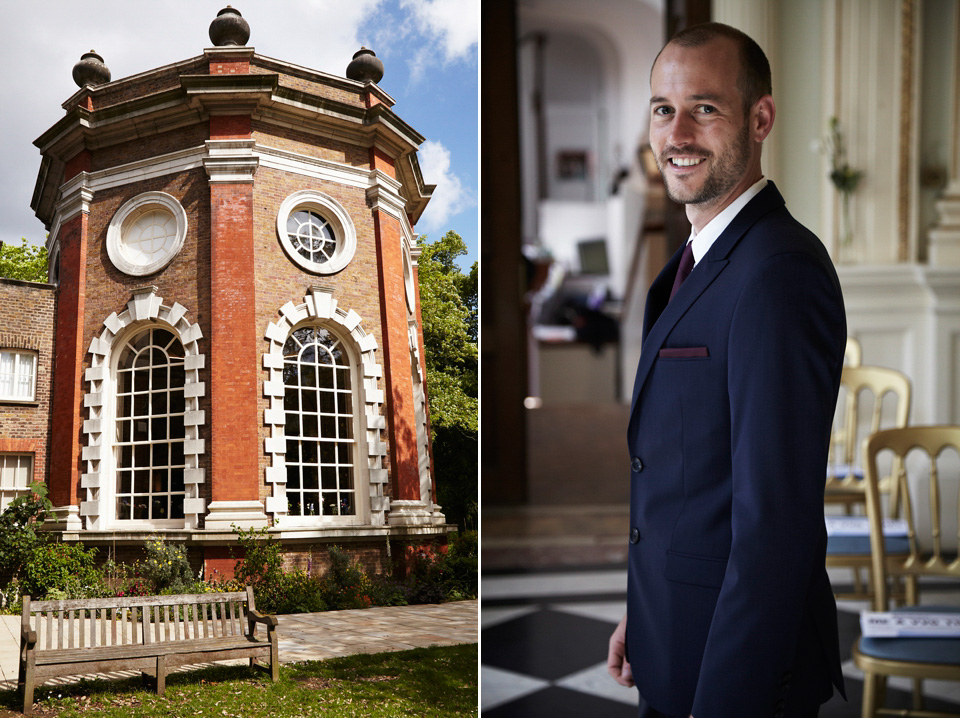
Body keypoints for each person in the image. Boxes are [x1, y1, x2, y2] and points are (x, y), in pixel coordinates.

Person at [606, 22, 847, 718]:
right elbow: (684, 482)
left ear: (760, 117)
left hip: (734, 672)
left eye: (704, 108)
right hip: (675, 637)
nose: (677, 132)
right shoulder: (688, 268)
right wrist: (643, 616)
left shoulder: (778, 271)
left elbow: (775, 524)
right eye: (662, 109)